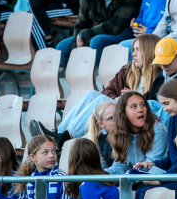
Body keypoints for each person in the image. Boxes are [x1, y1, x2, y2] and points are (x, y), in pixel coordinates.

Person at [32, 33, 163, 142]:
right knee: (92, 94)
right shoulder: (128, 71)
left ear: (149, 51)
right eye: (133, 49)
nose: (133, 54)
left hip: (138, 117)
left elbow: (156, 106)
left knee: (101, 101)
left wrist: (131, 99)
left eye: (138, 50)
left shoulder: (160, 76)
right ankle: (57, 134)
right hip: (118, 112)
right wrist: (118, 98)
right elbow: (106, 92)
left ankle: (63, 138)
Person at [56, 0, 146, 67]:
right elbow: (81, 23)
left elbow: (114, 26)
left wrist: (84, 35)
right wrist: (77, 49)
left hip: (126, 29)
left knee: (97, 41)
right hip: (98, 30)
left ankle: (101, 78)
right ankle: (77, 79)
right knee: (61, 48)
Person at [105, 92, 168, 174]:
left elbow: (150, 168)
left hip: (155, 180)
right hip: (135, 178)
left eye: (142, 105)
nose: (140, 110)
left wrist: (126, 177)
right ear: (123, 113)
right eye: (134, 107)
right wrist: (100, 175)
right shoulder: (120, 133)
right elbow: (120, 166)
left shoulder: (158, 131)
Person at [85, 101, 116, 169]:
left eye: (118, 115)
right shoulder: (100, 139)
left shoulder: (129, 134)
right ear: (101, 124)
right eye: (111, 118)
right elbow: (103, 166)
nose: (116, 120)